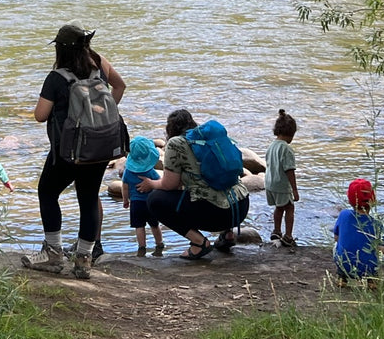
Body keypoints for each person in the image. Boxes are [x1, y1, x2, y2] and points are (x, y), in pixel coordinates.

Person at [23, 22, 126, 280]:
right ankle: (83, 260)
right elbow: (120, 86)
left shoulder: (57, 77)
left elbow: (40, 115)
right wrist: (101, 117)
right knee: (88, 199)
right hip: (99, 147)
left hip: (67, 151)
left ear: (59, 49)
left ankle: (53, 254)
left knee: (47, 192)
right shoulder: (99, 64)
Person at [138, 108, 249, 260]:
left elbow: (169, 184)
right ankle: (228, 234)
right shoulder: (208, 138)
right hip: (241, 207)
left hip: (218, 215)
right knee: (217, 182)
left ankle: (199, 243)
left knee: (155, 200)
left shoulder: (175, 143)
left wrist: (151, 183)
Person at [334, 178, 384, 286]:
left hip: (346, 265)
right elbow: (383, 249)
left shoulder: (343, 215)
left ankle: (342, 277)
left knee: (337, 245)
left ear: (350, 200)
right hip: (368, 268)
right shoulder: (377, 224)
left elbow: (336, 237)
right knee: (376, 252)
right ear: (373, 200)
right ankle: (372, 280)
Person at [120, 135, 165, 257]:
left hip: (136, 203)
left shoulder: (128, 172)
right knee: (155, 225)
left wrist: (125, 200)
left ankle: (142, 247)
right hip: (151, 202)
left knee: (139, 226)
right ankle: (159, 243)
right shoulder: (150, 172)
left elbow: (124, 186)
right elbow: (159, 184)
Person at [265, 109, 300, 248]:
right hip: (281, 185)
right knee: (290, 208)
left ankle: (276, 230)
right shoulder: (286, 149)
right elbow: (289, 170)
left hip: (269, 183)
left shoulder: (271, 146)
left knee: (279, 207)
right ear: (291, 133)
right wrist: (295, 191)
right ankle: (288, 236)